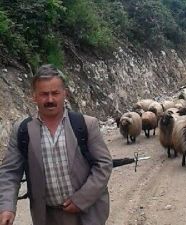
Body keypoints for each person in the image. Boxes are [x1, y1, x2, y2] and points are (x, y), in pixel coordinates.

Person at [0, 64, 113, 225]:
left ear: (65, 94)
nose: (50, 99)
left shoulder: (86, 124)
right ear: (34, 96)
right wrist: (6, 207)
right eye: (44, 94)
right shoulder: (22, 131)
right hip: (48, 217)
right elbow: (10, 173)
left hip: (87, 214)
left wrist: (81, 200)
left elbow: (104, 165)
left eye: (55, 93)